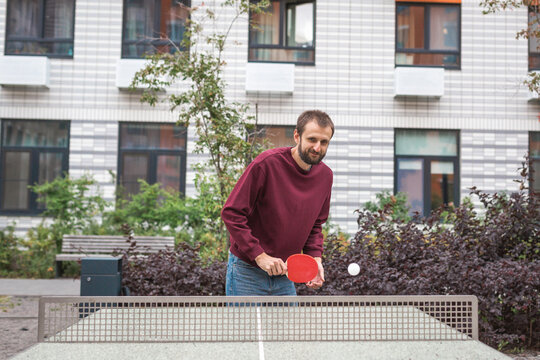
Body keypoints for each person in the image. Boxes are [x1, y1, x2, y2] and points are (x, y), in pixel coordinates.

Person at [221, 110, 334, 296]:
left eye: (324, 142)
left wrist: (315, 260)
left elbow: (315, 225)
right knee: (245, 327)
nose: (317, 147)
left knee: (286, 327)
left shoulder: (325, 176)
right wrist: (260, 256)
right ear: (297, 136)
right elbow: (231, 213)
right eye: (312, 139)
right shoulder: (266, 164)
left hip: (285, 274)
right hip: (247, 271)